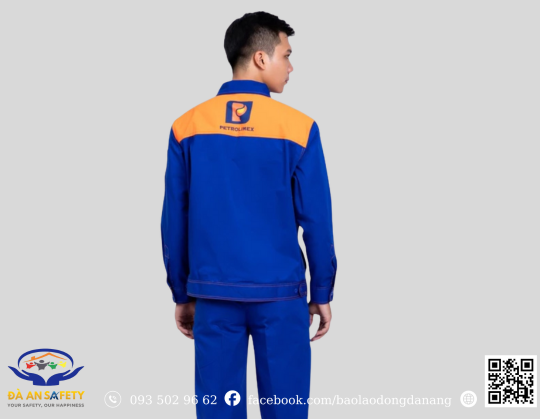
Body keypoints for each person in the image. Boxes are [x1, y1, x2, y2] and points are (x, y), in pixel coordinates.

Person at [160, 11, 337, 419]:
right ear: (260, 58)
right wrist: (322, 292)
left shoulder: (187, 126)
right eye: (286, 55)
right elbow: (317, 220)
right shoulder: (298, 127)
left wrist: (182, 293)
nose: (290, 67)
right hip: (280, 297)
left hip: (213, 295)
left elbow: (174, 221)